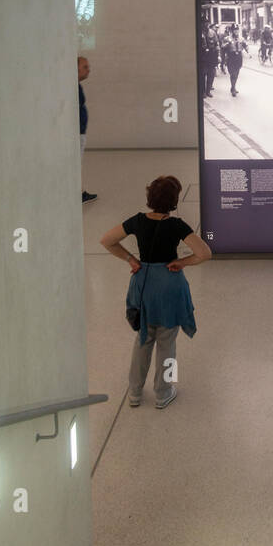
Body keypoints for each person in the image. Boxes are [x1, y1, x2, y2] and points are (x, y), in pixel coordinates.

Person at [99, 176, 212, 410]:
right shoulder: (177, 225)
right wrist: (182, 262)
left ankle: (135, 393)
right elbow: (204, 253)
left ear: (149, 198)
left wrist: (131, 259)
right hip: (170, 286)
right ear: (174, 201)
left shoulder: (137, 221)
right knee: (167, 343)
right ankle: (163, 392)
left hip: (144, 284)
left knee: (143, 338)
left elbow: (107, 240)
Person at [78, 55, 96, 203]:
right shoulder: (73, 88)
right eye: (85, 67)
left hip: (79, 132)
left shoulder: (77, 86)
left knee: (77, 164)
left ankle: (80, 192)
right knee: (76, 165)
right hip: (76, 134)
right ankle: (79, 193)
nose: (88, 70)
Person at [224, 29, 246, 96]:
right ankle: (233, 89)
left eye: (237, 30)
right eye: (235, 30)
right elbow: (222, 46)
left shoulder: (241, 38)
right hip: (231, 57)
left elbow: (245, 45)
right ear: (232, 31)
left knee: (236, 73)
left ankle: (233, 87)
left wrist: (248, 51)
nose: (236, 32)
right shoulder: (227, 38)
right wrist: (227, 44)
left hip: (238, 57)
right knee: (232, 74)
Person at [201, 30, 219, 97]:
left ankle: (208, 91)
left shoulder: (212, 32)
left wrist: (218, 55)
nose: (206, 24)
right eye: (204, 22)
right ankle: (203, 92)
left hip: (212, 55)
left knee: (211, 74)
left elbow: (217, 44)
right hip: (203, 55)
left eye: (207, 22)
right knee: (203, 74)